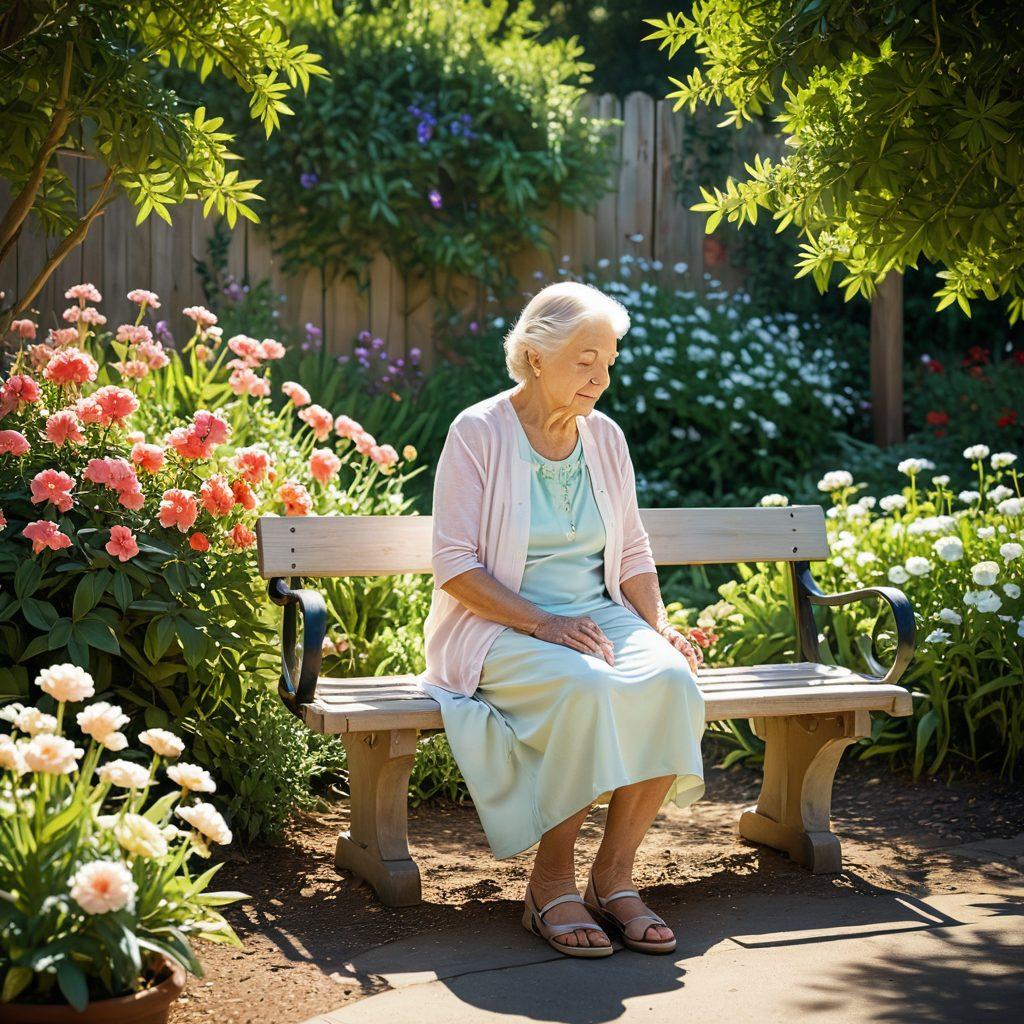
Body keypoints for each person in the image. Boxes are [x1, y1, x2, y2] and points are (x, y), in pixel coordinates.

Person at [420, 280, 706, 958]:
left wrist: (658, 626)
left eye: (608, 361)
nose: (601, 377)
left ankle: (613, 878)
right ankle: (550, 883)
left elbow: (631, 550)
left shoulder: (604, 438)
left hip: (598, 615)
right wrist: (542, 623)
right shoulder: (479, 432)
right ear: (536, 355)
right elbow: (456, 566)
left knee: (672, 680)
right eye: (586, 359)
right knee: (588, 689)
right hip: (500, 626)